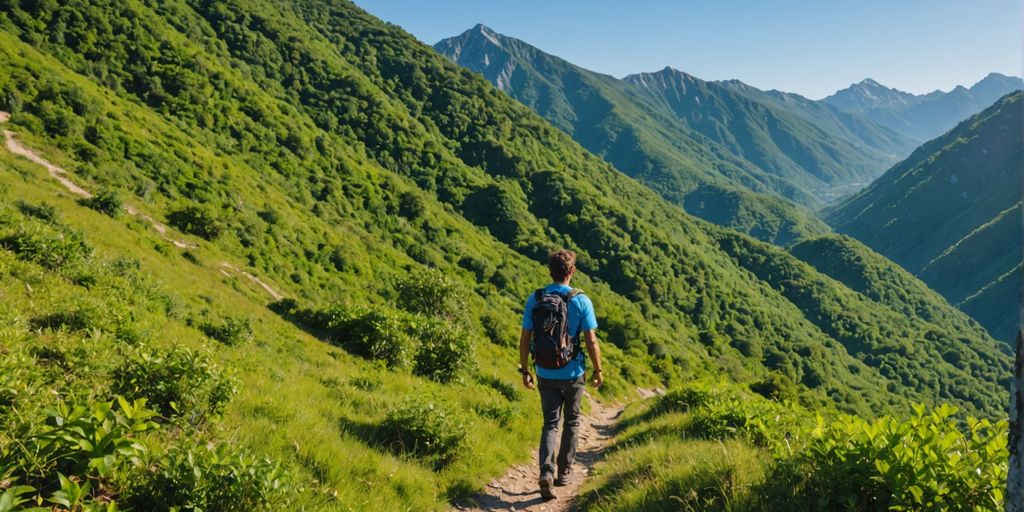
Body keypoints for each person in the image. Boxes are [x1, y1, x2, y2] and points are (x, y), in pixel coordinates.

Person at [518, 249, 603, 500]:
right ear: (572, 271)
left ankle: (546, 471)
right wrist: (598, 370)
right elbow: (591, 341)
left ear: (549, 271)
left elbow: (525, 339)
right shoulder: (581, 300)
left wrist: (525, 370)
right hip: (573, 372)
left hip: (544, 371)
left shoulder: (536, 299)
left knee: (550, 423)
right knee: (572, 421)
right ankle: (564, 473)